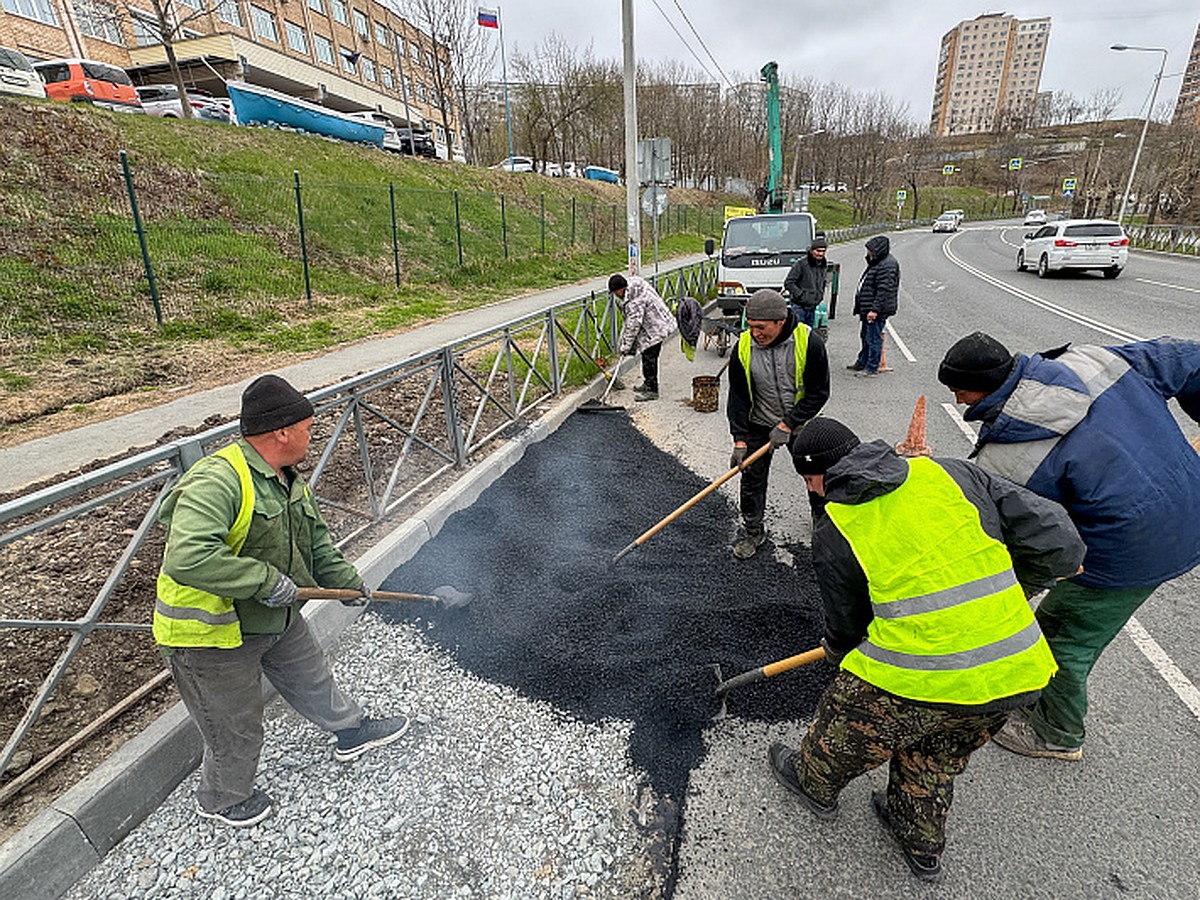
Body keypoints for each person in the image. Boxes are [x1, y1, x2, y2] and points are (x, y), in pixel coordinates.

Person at [769, 418, 1084, 881]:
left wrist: (838, 651)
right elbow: (1061, 543)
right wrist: (1012, 593)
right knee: (937, 753)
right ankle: (917, 838)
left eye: (807, 482)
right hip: (1014, 671)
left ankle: (813, 781)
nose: (813, 492)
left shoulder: (837, 526)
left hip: (921, 677)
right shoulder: (951, 472)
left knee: (844, 725)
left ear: (814, 476)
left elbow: (848, 623)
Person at [154, 374, 410, 827]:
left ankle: (350, 731)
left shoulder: (286, 479)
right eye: (310, 428)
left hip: (276, 616)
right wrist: (262, 580)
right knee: (233, 725)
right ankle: (222, 797)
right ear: (282, 432)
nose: (314, 437)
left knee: (313, 679)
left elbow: (316, 543)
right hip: (214, 634)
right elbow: (187, 558)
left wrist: (349, 585)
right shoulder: (218, 481)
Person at [937, 332, 1200, 761]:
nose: (959, 401)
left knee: (1065, 639)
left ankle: (1058, 733)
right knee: (1052, 619)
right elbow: (1188, 357)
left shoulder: (1010, 460)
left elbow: (1021, 541)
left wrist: (1000, 597)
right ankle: (1040, 696)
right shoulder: (1090, 362)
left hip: (1133, 548)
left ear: (983, 387)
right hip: (1187, 501)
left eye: (959, 391)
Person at [726, 288, 830, 559]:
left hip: (802, 421)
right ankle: (752, 531)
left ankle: (822, 525)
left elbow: (819, 392)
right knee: (751, 476)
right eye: (750, 326)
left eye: (761, 327)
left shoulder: (809, 342)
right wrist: (740, 439)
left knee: (815, 475)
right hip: (759, 422)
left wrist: (788, 424)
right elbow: (737, 397)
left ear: (780, 321)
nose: (755, 333)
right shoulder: (744, 346)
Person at [609, 273, 676, 402]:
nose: (615, 295)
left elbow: (633, 325)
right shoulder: (635, 286)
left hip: (655, 329)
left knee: (650, 359)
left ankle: (652, 390)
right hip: (655, 324)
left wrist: (626, 346)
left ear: (621, 288)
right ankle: (647, 384)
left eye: (615, 292)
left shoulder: (635, 301)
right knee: (646, 356)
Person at [848, 235, 899, 377]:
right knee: (865, 336)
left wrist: (874, 310)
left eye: (870, 250)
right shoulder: (878, 262)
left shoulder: (887, 265)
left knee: (873, 338)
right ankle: (862, 362)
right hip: (868, 307)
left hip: (876, 310)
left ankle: (871, 367)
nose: (868, 253)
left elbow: (884, 290)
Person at [782, 235, 828, 327]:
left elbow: (822, 282)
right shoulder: (801, 264)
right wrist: (801, 295)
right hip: (799, 307)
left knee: (808, 335)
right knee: (799, 334)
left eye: (823, 251)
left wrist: (820, 295)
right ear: (811, 250)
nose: (821, 254)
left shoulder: (822, 264)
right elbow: (789, 283)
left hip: (813, 307)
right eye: (818, 251)